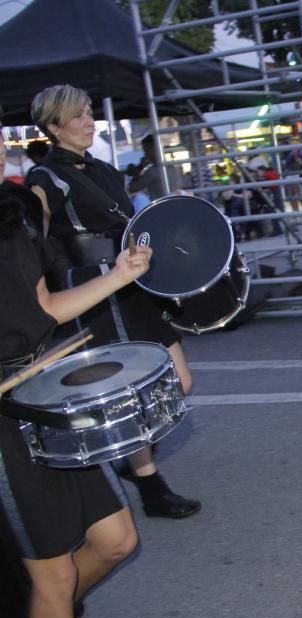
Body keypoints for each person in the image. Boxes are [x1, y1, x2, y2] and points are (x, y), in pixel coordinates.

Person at [25, 85, 201, 518]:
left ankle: (126, 454)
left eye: (89, 113)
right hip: (96, 291)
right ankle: (150, 486)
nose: (89, 122)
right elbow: (32, 243)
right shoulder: (43, 179)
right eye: (78, 116)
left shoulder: (103, 169)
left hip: (132, 284)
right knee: (128, 394)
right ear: (53, 127)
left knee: (179, 382)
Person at [0, 182, 148, 618]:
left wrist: (120, 275)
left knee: (117, 541)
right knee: (55, 577)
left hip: (47, 391)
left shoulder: (15, 215)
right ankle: (52, 616)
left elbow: (44, 308)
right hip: (4, 422)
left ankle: (45, 616)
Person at [127, 134, 180, 201]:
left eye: (146, 150)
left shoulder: (152, 172)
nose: (145, 155)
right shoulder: (173, 167)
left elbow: (132, 188)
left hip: (161, 207)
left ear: (153, 149)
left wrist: (139, 169)